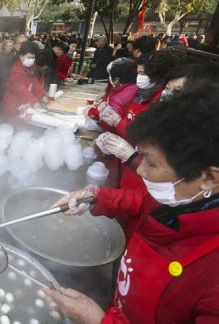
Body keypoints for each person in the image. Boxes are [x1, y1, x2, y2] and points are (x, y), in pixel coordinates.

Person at [47, 88, 219, 324]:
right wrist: (96, 197)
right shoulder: (185, 200)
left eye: (151, 162)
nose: (139, 169)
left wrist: (100, 320)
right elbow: (141, 203)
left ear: (209, 178)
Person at [0, 41, 46, 116]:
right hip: (12, 107)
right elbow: (21, 89)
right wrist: (34, 101)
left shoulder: (30, 68)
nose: (31, 60)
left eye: (33, 58)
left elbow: (34, 82)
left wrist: (42, 95)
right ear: (21, 56)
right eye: (29, 57)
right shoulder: (16, 71)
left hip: (23, 105)